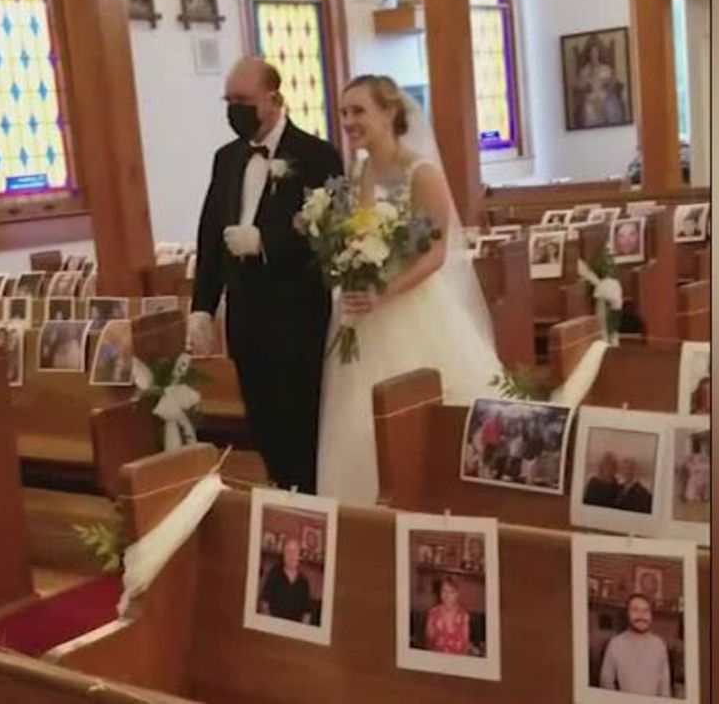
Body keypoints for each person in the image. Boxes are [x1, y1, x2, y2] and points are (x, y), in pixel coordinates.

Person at [314, 75, 505, 504]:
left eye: (358, 111)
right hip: (365, 313)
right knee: (357, 418)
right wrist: (346, 267)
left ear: (389, 112)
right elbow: (356, 235)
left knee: (424, 411)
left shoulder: (421, 173)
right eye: (344, 113)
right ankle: (367, 509)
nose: (348, 121)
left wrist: (386, 291)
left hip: (411, 304)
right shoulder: (360, 170)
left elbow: (435, 255)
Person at [188, 57, 343, 494]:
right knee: (263, 420)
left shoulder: (317, 155)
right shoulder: (227, 159)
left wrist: (266, 242)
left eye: (244, 100)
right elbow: (210, 238)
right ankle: (280, 491)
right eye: (229, 100)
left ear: (273, 100)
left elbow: (331, 234)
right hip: (246, 319)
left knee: (301, 420)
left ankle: (310, 500)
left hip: (297, 315)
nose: (234, 109)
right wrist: (201, 308)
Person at [598, 594, 672, 696]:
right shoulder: (615, 644)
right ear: (627, 614)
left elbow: (665, 687)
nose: (641, 616)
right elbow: (606, 684)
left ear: (651, 615)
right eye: (635, 610)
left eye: (646, 611)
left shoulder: (659, 645)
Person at [258, 538, 313, 624]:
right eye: (288, 551)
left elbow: (307, 614)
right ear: (283, 554)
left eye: (295, 551)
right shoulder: (274, 574)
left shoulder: (304, 582)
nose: (292, 555)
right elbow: (264, 604)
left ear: (299, 555)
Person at [424, 576, 472, 655]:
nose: (447, 595)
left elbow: (465, 644)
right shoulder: (433, 613)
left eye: (451, 592)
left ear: (457, 594)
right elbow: (428, 642)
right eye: (444, 591)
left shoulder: (464, 615)